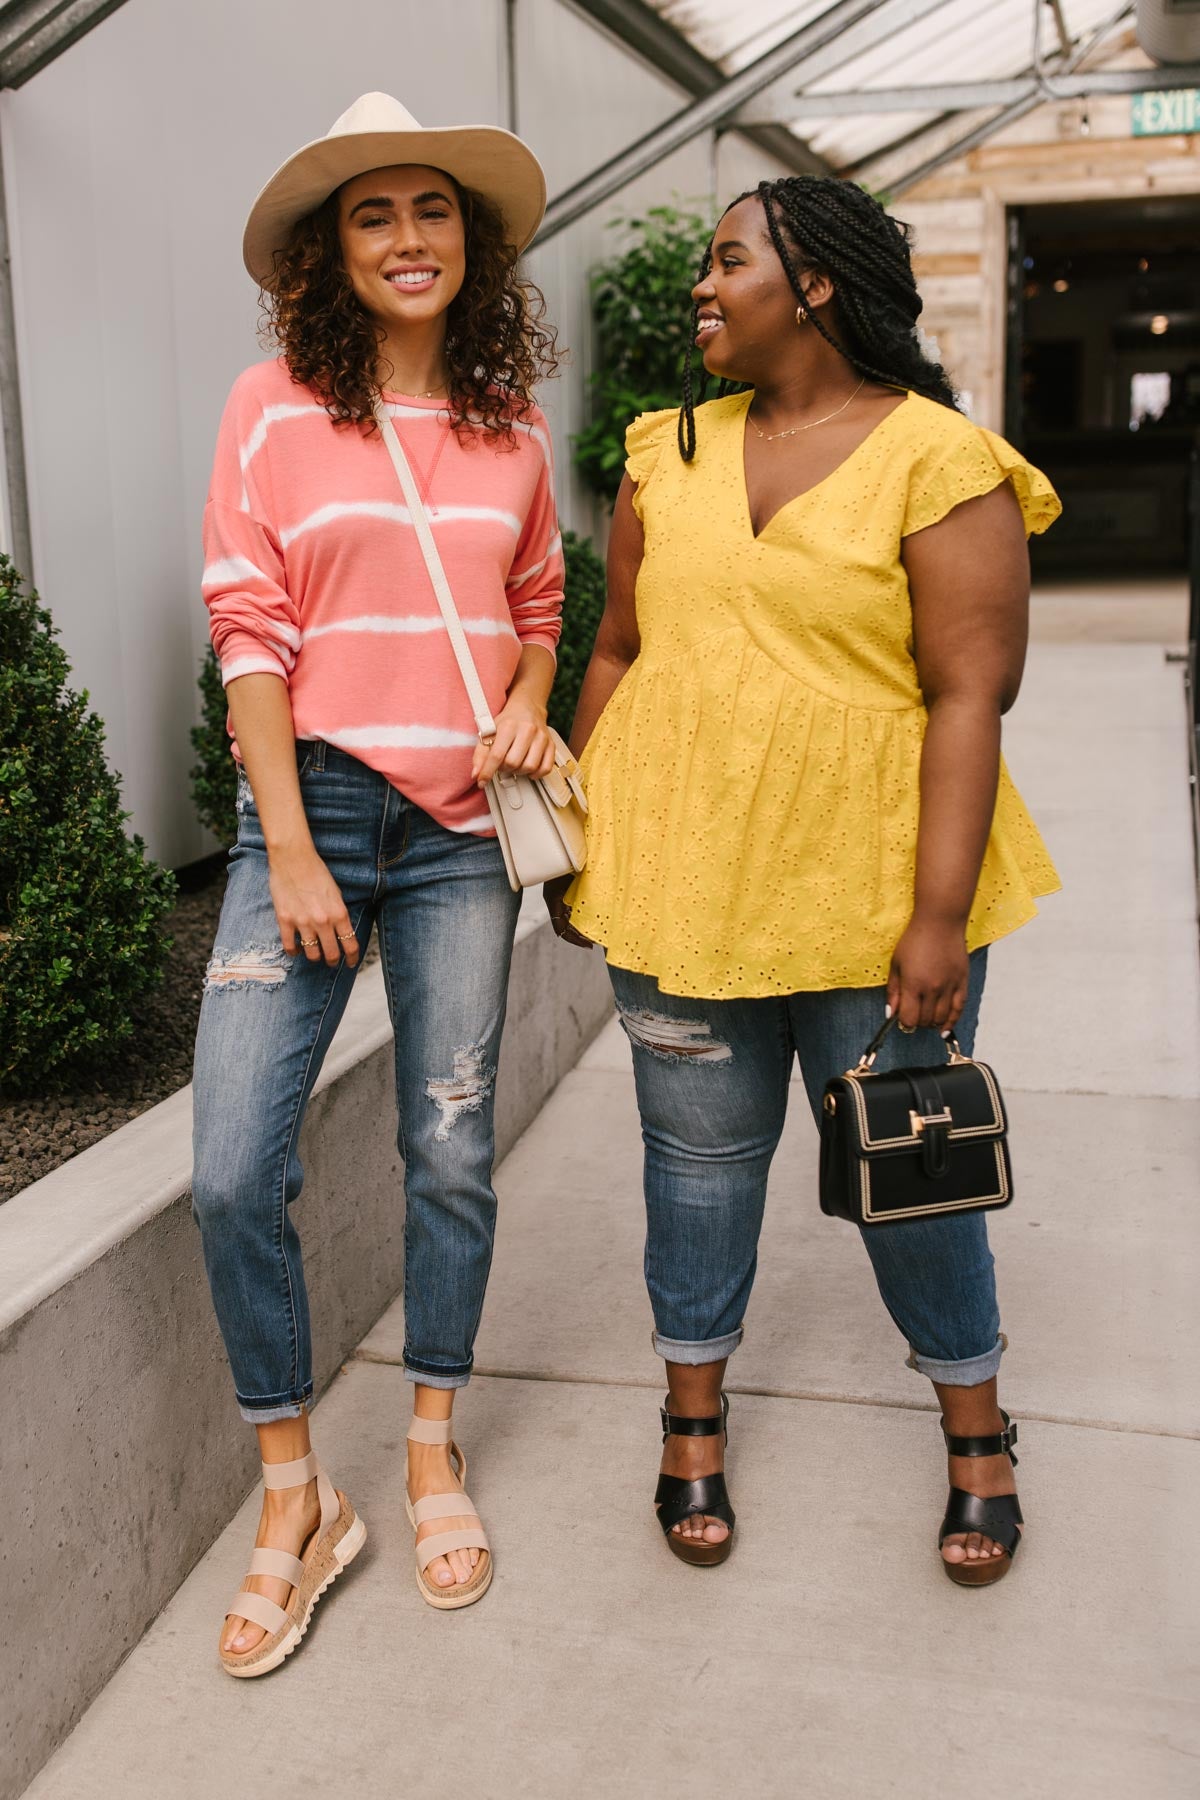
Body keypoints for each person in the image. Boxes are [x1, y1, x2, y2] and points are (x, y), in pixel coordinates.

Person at [547, 176, 1060, 1587]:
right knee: (698, 1174)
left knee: (917, 1177)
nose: (700, 289)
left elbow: (971, 695)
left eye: (727, 263)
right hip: (682, 881)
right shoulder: (670, 451)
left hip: (873, 893)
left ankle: (978, 1433)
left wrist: (940, 918)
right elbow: (617, 651)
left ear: (816, 283)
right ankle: (693, 1422)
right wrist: (577, 827)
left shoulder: (938, 460)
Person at [193, 93, 563, 1673]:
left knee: (450, 1148)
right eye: (373, 215)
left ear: (468, 246)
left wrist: (538, 689)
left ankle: (428, 1440)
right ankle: (297, 1495)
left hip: (467, 833)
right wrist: (283, 838)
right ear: (326, 255)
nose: (408, 239)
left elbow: (538, 594)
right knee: (228, 1167)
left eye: (432, 211)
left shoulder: (512, 431)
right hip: (320, 811)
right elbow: (247, 633)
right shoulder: (269, 408)